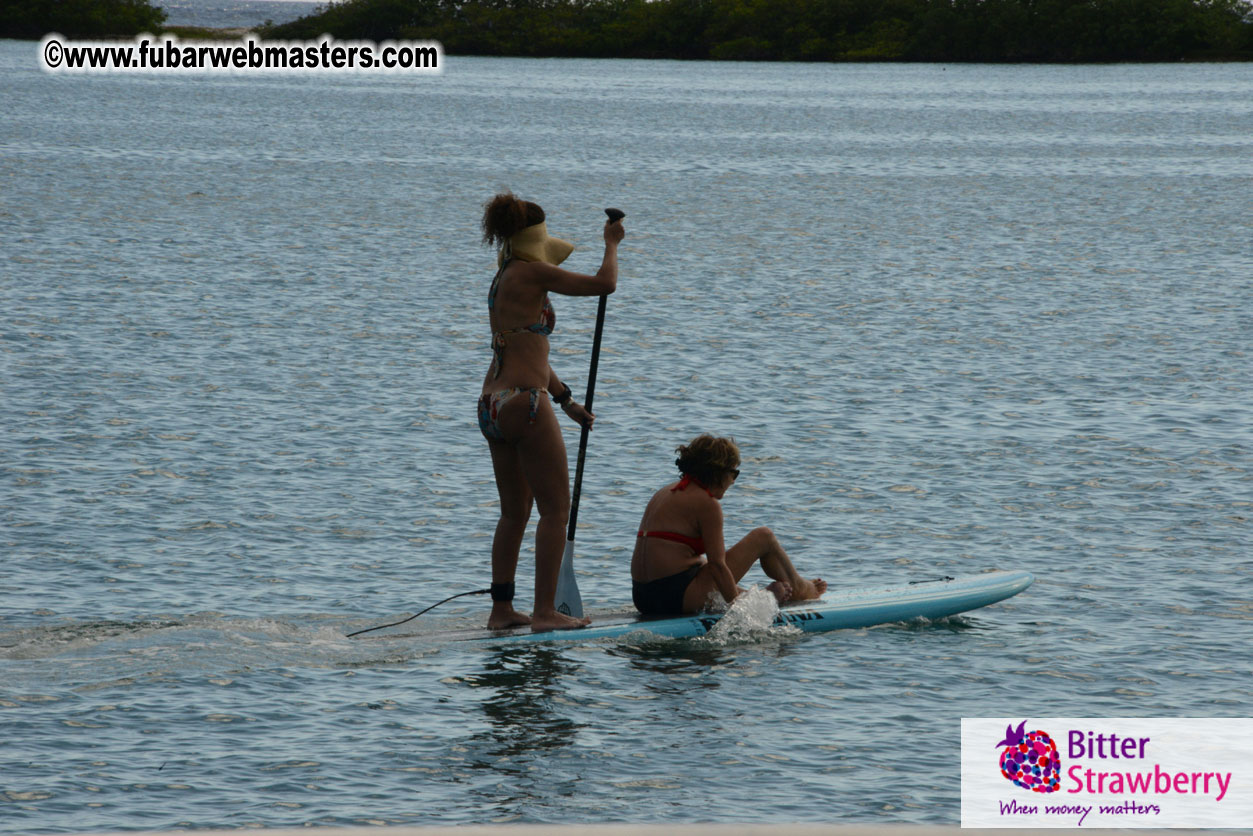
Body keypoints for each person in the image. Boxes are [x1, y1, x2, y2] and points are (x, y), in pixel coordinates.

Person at [478, 193, 623, 632]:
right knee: (555, 511)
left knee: (513, 513)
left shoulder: (504, 274)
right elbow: (604, 284)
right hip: (525, 403)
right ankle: (544, 612)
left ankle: (501, 611)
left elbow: (531, 350)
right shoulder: (534, 271)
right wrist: (611, 244)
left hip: (493, 405)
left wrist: (567, 402)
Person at [631, 434, 827, 616]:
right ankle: (799, 589)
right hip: (675, 600)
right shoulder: (707, 503)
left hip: (643, 598)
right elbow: (718, 566)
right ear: (718, 472)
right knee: (763, 537)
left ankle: (762, 595)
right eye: (734, 473)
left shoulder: (665, 492)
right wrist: (741, 610)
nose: (733, 481)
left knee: (701, 563)